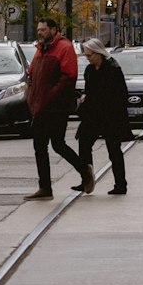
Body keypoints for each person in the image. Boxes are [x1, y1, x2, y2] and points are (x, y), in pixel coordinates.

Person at [24, 16, 85, 200]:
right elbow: (32, 74)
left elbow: (68, 77)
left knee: (56, 144)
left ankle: (83, 171)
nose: (40, 33)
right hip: (41, 106)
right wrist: (32, 95)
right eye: (38, 30)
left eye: (43, 30)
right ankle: (45, 187)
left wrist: (49, 96)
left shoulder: (64, 48)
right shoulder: (40, 50)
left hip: (56, 107)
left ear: (53, 29)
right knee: (41, 145)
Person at [74, 38, 130, 196]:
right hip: (93, 114)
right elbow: (89, 90)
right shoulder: (90, 70)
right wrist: (85, 97)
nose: (88, 58)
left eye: (90, 55)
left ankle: (121, 184)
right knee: (84, 144)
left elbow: (121, 94)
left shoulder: (112, 68)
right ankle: (87, 179)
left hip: (110, 115)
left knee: (114, 150)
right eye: (86, 55)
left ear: (99, 53)